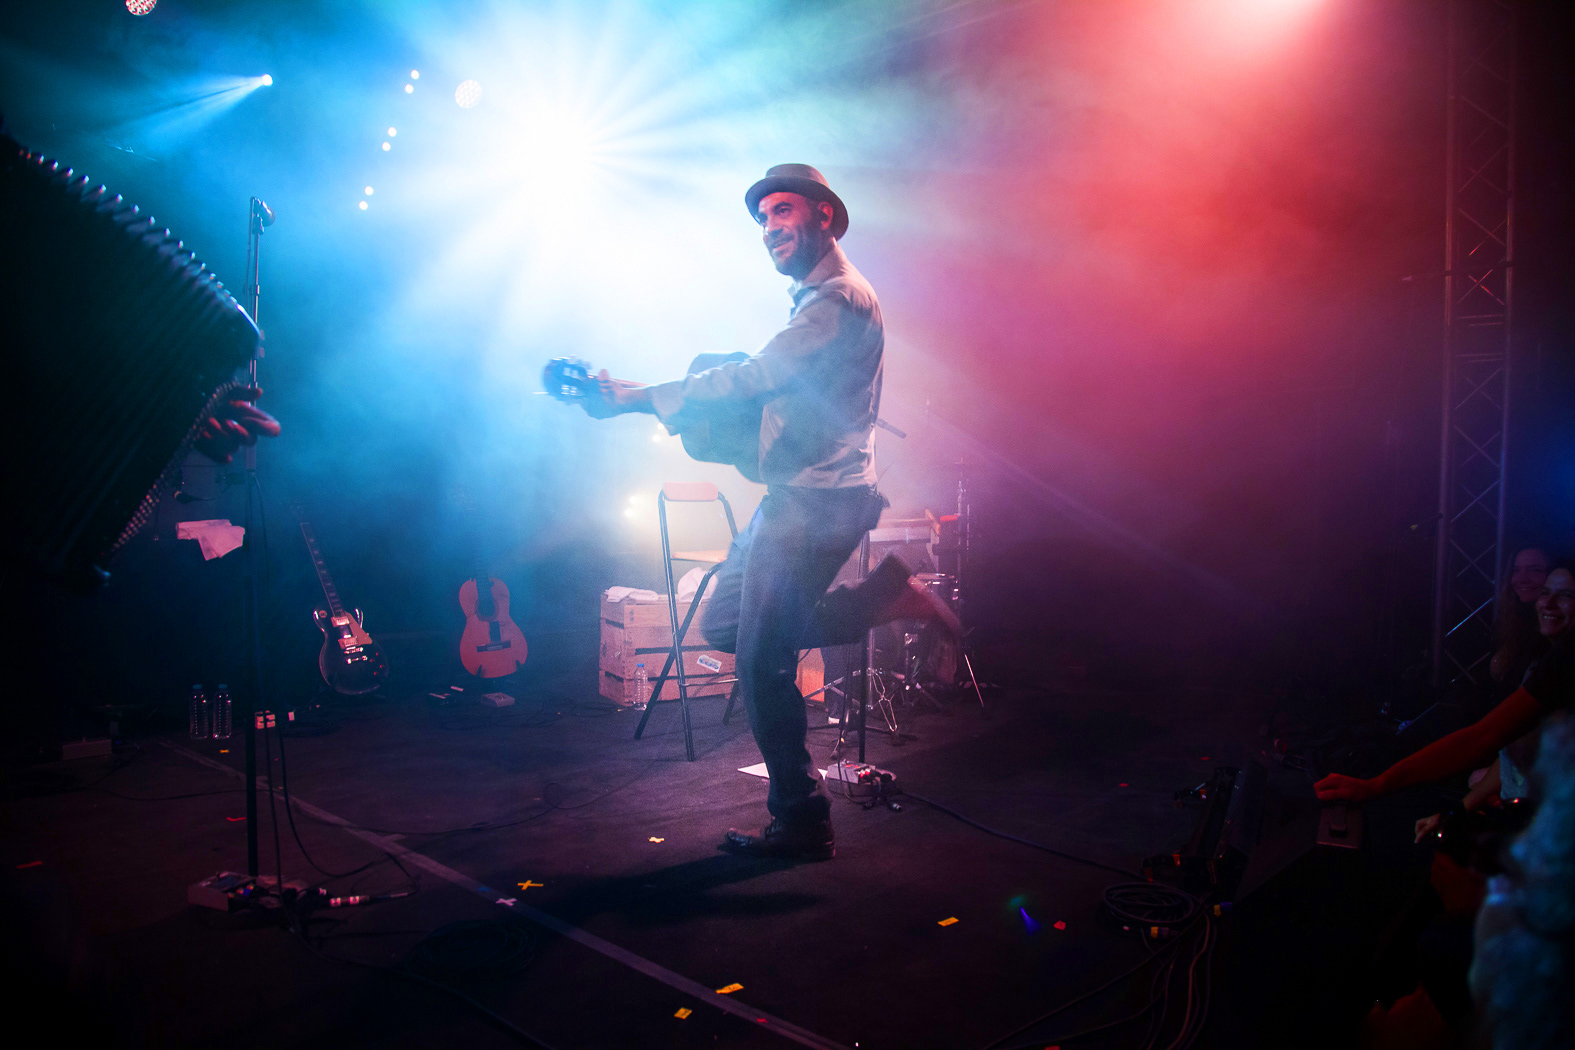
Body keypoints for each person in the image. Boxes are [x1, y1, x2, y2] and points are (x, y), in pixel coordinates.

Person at [580, 164, 955, 860]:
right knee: (725, 625)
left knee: (759, 659)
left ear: (823, 217)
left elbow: (756, 376)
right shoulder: (818, 299)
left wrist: (639, 397)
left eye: (782, 211)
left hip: (820, 504)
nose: (768, 229)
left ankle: (801, 819)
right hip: (794, 497)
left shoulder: (837, 300)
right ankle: (885, 596)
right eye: (761, 218)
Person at [1317, 562, 1575, 807]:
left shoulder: (1564, 661)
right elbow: (1504, 743)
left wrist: (1376, 786)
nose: (1549, 604)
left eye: (1565, 595)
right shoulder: (1540, 656)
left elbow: (1483, 738)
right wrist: (1464, 808)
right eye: (1546, 593)